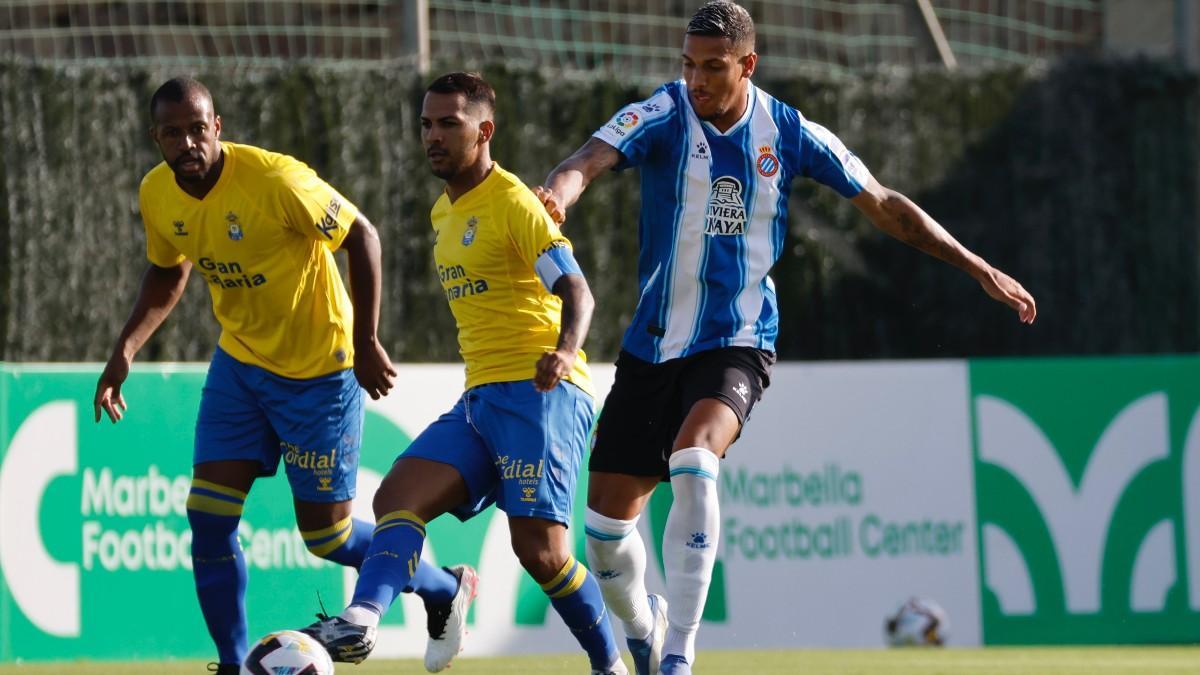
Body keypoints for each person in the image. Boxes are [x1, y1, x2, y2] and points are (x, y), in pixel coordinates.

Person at [534, 2, 1038, 674]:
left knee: (694, 458)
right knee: (603, 537)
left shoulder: (790, 132)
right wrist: (559, 196)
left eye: (713, 67)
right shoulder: (662, 113)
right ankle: (644, 623)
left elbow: (883, 202)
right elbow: (586, 159)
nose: (696, 80)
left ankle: (680, 650)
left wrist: (978, 267)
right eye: (687, 64)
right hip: (651, 346)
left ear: (748, 65)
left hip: (736, 340)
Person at [92, 77, 470, 675]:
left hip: (320, 373)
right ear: (156, 138)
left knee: (329, 538)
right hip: (240, 368)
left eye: (198, 128)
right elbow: (168, 273)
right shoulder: (157, 193)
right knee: (208, 517)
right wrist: (125, 350)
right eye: (173, 133)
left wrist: (366, 341)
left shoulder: (276, 180)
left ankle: (444, 588)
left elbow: (362, 236)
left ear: (217, 125)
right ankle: (232, 663)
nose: (188, 142)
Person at [300, 71, 628, 675]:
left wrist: (564, 350)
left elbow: (578, 291)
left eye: (449, 123)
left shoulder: (514, 204)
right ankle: (364, 620)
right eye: (426, 123)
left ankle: (612, 664)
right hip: (480, 400)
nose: (433, 135)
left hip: (543, 393)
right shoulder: (441, 215)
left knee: (543, 554)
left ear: (485, 131)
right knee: (397, 496)